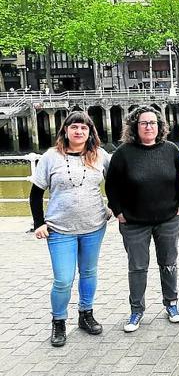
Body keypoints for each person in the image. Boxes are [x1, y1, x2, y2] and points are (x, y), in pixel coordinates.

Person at [29, 111, 110, 347]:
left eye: (84, 128)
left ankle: (86, 313)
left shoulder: (100, 156)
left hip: (94, 226)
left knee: (88, 272)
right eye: (74, 127)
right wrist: (38, 223)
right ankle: (59, 321)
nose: (79, 132)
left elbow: (117, 182)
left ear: (90, 132)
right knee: (63, 279)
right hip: (59, 229)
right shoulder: (51, 157)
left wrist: (116, 208)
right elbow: (36, 193)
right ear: (65, 130)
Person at [105, 106, 179, 332]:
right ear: (135, 126)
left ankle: (171, 304)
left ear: (160, 126)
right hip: (133, 222)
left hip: (168, 219)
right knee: (138, 267)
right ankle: (136, 310)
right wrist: (118, 211)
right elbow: (112, 186)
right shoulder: (123, 153)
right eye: (144, 123)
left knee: (168, 263)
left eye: (153, 123)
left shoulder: (171, 150)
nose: (149, 127)